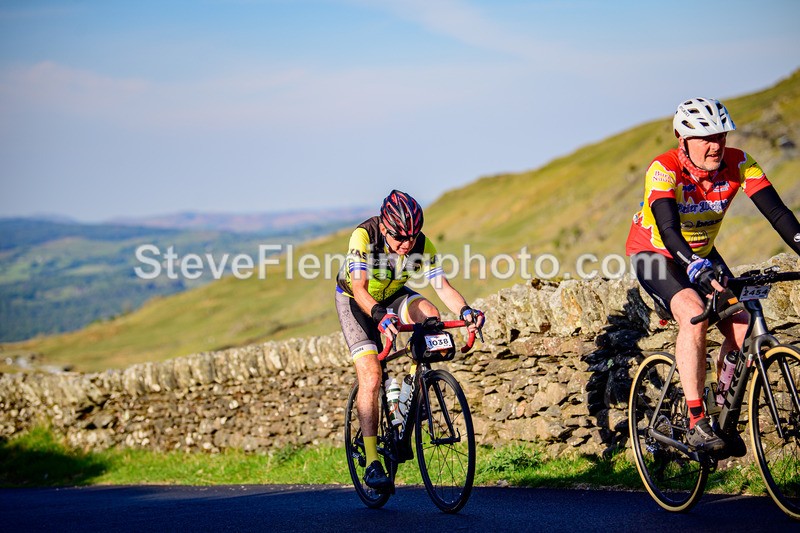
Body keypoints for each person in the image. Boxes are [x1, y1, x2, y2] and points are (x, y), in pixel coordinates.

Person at [626, 97, 800, 452]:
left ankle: (722, 410)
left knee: (740, 323)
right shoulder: (664, 168)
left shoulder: (740, 163)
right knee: (693, 313)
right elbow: (669, 228)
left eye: (720, 136)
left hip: (702, 251)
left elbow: (779, 215)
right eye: (705, 138)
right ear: (682, 140)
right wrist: (695, 267)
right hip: (656, 253)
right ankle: (695, 420)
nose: (715, 145)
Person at [335, 189, 485, 490]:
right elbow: (360, 288)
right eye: (399, 238)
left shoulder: (421, 244)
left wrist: (466, 310)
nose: (406, 245)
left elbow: (442, 286)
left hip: (393, 295)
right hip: (357, 301)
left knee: (429, 312)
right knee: (371, 376)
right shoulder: (364, 237)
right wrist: (379, 315)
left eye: (412, 237)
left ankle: (410, 388)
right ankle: (374, 461)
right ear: (385, 228)